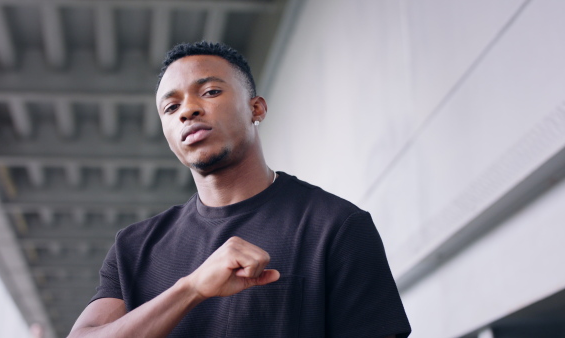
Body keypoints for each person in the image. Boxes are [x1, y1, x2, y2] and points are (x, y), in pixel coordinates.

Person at [68, 41, 411, 338]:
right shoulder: (134, 247)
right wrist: (191, 288)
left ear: (256, 108)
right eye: (171, 108)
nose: (188, 110)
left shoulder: (336, 226)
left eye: (210, 92)